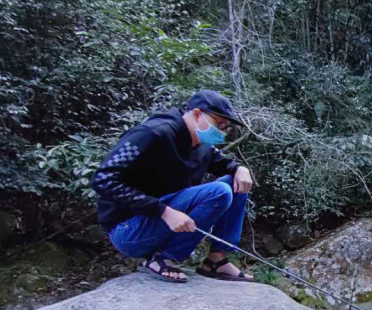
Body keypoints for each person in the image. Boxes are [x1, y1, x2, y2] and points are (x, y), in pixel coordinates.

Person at [90, 90, 255, 283]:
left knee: (236, 181)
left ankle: (216, 260)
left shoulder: (201, 145)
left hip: (164, 219)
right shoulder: (152, 133)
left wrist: (239, 168)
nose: (222, 131)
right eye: (219, 123)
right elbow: (102, 179)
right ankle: (163, 257)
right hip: (128, 229)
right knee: (219, 192)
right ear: (196, 114)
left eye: (226, 127)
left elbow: (223, 164)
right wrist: (163, 211)